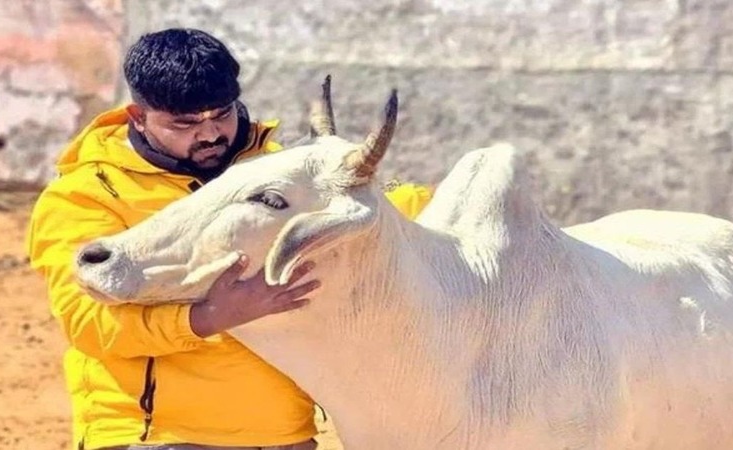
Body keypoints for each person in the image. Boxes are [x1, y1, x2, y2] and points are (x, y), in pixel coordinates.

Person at [26, 28, 432, 450]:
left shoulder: (275, 171)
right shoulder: (86, 194)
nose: (209, 134)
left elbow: (401, 208)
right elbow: (88, 324)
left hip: (284, 434)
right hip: (158, 437)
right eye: (183, 123)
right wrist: (210, 315)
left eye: (221, 114)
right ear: (139, 118)